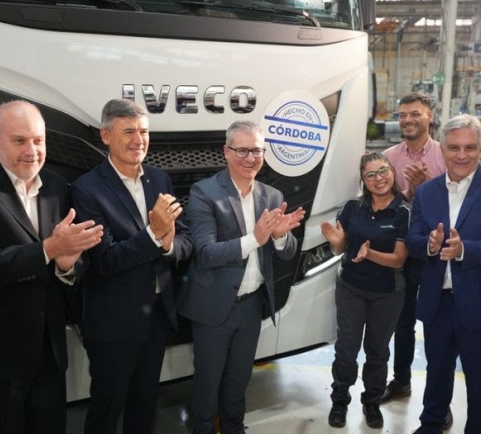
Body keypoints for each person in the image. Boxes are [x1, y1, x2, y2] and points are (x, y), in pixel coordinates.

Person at [0, 100, 103, 434]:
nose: (32, 151)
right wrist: (49, 250)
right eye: (19, 140)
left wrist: (66, 266)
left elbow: (66, 262)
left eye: (38, 140)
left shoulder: (56, 186)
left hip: (48, 351)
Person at [70, 98, 192, 434]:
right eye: (129, 132)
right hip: (112, 323)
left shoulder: (159, 179)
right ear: (105, 135)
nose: (139, 140)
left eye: (144, 131)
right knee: (107, 410)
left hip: (156, 317)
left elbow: (184, 240)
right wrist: (154, 234)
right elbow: (105, 260)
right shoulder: (86, 190)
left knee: (144, 405)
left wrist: (168, 244)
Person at [178, 120, 304, 434]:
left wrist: (279, 237)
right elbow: (205, 253)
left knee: (239, 379)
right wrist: (255, 239)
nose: (250, 158)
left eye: (257, 151)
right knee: (207, 381)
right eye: (242, 151)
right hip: (213, 307)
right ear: (226, 152)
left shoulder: (272, 196)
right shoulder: (205, 192)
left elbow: (288, 252)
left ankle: (234, 427)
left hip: (251, 306)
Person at [405, 114, 481, 434]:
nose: (461, 155)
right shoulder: (426, 192)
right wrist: (429, 245)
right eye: (454, 147)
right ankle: (431, 425)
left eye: (470, 147)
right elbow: (413, 239)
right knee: (436, 372)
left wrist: (463, 250)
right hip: (438, 302)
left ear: (480, 149)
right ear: (442, 149)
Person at [321, 152, 409, 429]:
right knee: (346, 349)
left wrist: (369, 254)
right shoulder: (352, 207)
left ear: (392, 171)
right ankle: (339, 400)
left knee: (378, 350)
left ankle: (371, 401)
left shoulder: (404, 212)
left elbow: (399, 260)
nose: (378, 178)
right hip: (351, 288)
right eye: (370, 174)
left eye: (382, 171)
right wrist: (336, 242)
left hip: (387, 293)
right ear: (363, 180)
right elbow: (341, 248)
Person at [381, 92, 446, 406]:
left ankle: (439, 399)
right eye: (403, 115)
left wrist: (428, 187)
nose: (407, 120)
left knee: (438, 324)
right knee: (403, 322)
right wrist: (411, 191)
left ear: (429, 116)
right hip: (404, 251)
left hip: (438, 250)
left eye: (415, 114)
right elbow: (387, 202)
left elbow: (456, 203)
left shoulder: (446, 155)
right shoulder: (390, 157)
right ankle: (402, 381)